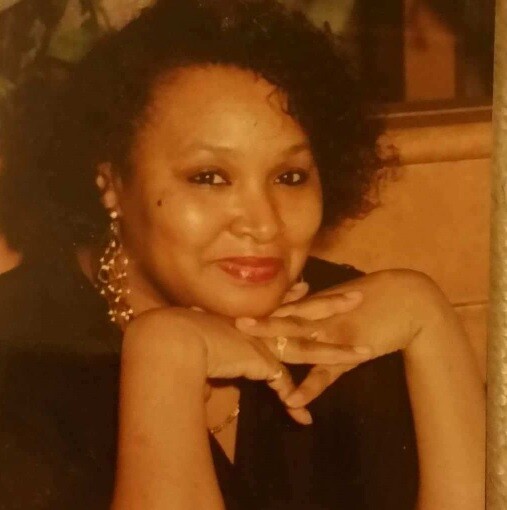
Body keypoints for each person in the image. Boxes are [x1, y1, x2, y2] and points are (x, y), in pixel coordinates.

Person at [0, 1, 484, 509]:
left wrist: (430, 322)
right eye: (209, 177)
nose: (264, 223)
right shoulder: (21, 359)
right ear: (113, 184)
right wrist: (166, 356)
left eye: (289, 177)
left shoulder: (350, 327)